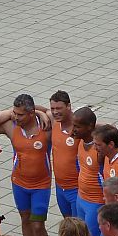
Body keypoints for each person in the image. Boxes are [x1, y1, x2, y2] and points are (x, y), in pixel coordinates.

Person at [0, 94, 53, 236]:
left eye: (20, 114)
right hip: (19, 184)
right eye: (14, 113)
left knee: (38, 224)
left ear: (31, 113)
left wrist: (42, 113)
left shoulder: (46, 127)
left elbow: (57, 113)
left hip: (41, 185)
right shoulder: (11, 127)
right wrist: (10, 112)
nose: (15, 117)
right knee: (25, 219)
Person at [47, 91, 79, 219]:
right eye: (52, 108)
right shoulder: (55, 122)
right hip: (60, 188)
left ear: (69, 106)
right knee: (68, 223)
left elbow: (104, 126)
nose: (55, 112)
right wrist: (40, 114)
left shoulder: (79, 127)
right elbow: (36, 109)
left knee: (79, 227)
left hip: (76, 189)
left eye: (59, 108)